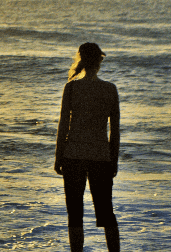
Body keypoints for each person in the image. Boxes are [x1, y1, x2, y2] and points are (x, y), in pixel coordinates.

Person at [54, 43, 120, 252]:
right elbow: (115, 131)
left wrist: (58, 156)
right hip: (101, 157)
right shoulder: (109, 89)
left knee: (75, 213)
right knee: (106, 212)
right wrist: (113, 160)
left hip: (73, 156)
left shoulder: (72, 87)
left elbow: (63, 125)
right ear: (99, 61)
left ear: (80, 59)